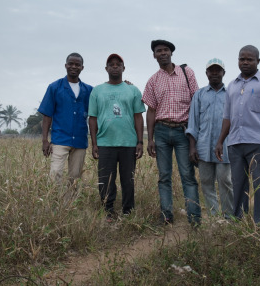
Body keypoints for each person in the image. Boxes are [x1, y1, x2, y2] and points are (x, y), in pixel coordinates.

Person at [215, 45, 260, 228]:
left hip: (259, 143)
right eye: (241, 59)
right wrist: (220, 141)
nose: (245, 62)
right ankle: (240, 223)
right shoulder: (232, 86)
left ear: (258, 61)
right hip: (235, 144)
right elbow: (227, 117)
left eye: (249, 59)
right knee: (239, 187)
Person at [142, 39, 201, 226]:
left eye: (165, 50)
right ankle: (166, 217)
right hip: (160, 131)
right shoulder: (153, 80)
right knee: (164, 176)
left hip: (183, 131)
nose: (162, 53)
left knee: (188, 176)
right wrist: (149, 139)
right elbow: (151, 111)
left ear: (171, 53)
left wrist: (194, 136)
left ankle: (194, 218)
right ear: (154, 55)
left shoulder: (187, 73)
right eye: (158, 51)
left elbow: (196, 103)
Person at [88, 54, 145, 220]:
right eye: (111, 64)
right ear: (106, 69)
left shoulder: (132, 90)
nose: (115, 67)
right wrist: (94, 143)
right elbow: (92, 118)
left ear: (123, 68)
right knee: (106, 180)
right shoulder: (97, 91)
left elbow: (138, 116)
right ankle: (108, 211)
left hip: (128, 143)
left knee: (128, 180)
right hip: (105, 143)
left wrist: (140, 141)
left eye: (118, 64)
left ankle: (128, 211)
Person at [186, 58, 234, 217]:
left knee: (225, 182)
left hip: (225, 148)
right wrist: (192, 147)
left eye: (218, 70)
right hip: (203, 147)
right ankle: (215, 218)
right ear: (206, 73)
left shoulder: (230, 95)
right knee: (206, 183)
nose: (214, 73)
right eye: (211, 70)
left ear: (223, 73)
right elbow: (193, 123)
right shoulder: (199, 95)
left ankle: (228, 218)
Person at [38, 53, 92, 184]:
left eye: (77, 64)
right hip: (60, 139)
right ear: (65, 66)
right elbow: (47, 115)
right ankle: (55, 203)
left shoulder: (89, 90)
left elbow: (95, 114)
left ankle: (69, 204)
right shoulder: (55, 87)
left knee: (74, 177)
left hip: (79, 140)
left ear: (82, 67)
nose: (74, 67)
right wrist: (45, 140)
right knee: (55, 174)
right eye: (71, 64)